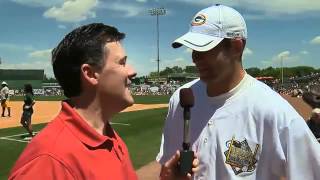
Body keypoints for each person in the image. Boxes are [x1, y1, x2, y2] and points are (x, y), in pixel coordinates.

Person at [9, 23, 198, 180]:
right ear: (90, 74)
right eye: (122, 63)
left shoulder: (109, 138)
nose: (132, 71)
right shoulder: (49, 161)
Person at [157, 4, 320, 180]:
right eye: (193, 48)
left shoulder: (275, 112)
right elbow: (166, 167)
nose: (195, 57)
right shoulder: (181, 99)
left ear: (236, 47)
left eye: (204, 48)